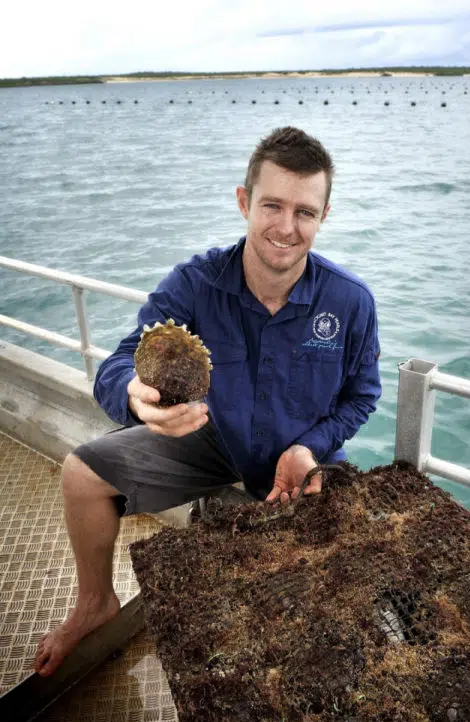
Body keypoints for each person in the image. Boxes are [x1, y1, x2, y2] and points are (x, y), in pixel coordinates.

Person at [35, 126, 382, 677]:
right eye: (272, 205)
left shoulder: (351, 302)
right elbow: (123, 359)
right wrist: (137, 397)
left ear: (324, 215)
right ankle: (94, 603)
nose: (287, 228)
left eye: (305, 212)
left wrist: (309, 447)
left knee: (319, 615)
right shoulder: (195, 283)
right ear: (244, 201)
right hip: (211, 438)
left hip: (302, 459)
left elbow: (361, 398)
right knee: (80, 474)